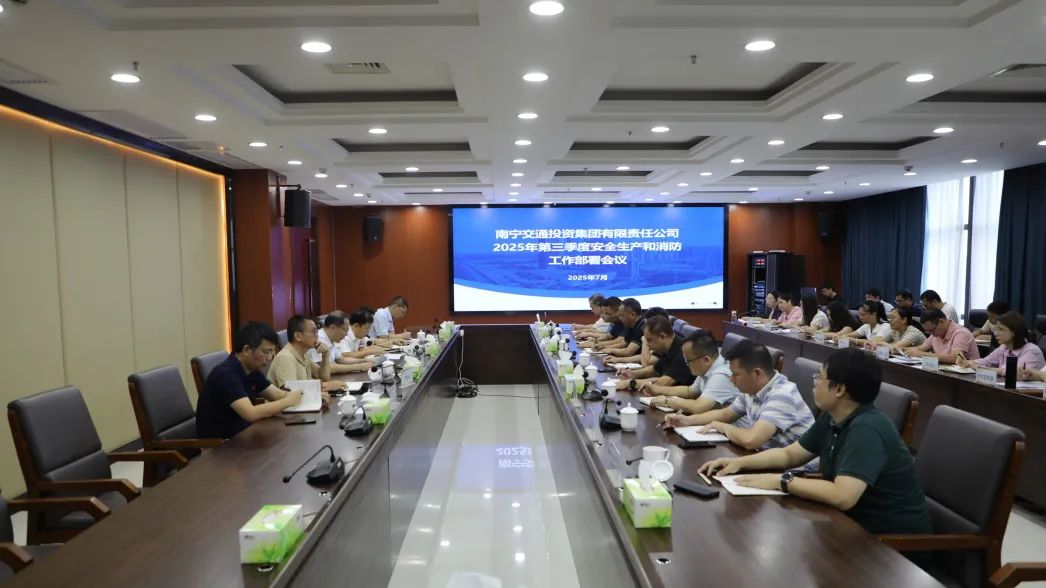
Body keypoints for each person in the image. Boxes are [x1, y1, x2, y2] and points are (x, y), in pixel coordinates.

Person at [698, 348, 932, 536]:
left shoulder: (867, 428)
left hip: (892, 543)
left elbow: (843, 496)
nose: (814, 383)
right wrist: (739, 464)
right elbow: (790, 455)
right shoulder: (832, 417)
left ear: (839, 389)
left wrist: (781, 481)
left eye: (819, 377)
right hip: (851, 525)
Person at [663, 339, 814, 451]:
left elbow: (751, 440)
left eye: (735, 374)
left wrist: (721, 427)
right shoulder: (752, 389)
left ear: (757, 373)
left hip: (797, 473)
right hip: (767, 459)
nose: (731, 379)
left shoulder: (782, 394)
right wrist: (687, 420)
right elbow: (726, 414)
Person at [196, 322, 304, 439]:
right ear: (247, 350)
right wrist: (288, 401)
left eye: (272, 352)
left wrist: (302, 396)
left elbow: (278, 395)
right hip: (220, 443)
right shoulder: (226, 374)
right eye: (266, 352)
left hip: (244, 432)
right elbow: (250, 413)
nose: (270, 358)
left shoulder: (252, 370)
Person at [648, 329, 740, 414]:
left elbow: (698, 407)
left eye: (688, 361)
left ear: (706, 360)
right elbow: (690, 391)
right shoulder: (708, 368)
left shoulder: (722, 375)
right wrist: (657, 389)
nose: (686, 364)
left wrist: (667, 401)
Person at [615, 315, 695, 390]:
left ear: (662, 337)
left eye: (649, 340)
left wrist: (631, 383)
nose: (647, 345)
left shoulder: (684, 351)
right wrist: (632, 373)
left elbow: (664, 382)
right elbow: (655, 370)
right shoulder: (668, 348)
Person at [268, 315, 338, 398]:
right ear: (298, 336)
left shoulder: (303, 354)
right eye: (313, 332)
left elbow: (323, 377)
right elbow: (291, 393)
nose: (317, 336)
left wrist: (325, 355)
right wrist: (325, 386)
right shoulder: (285, 358)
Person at [959, 312, 1045, 375]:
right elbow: (986, 361)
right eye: (996, 329)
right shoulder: (1004, 347)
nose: (996, 333)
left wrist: (978, 368)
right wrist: (967, 362)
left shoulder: (1032, 351)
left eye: (1001, 329)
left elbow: (1012, 372)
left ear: (1014, 331)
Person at [308, 312, 374, 374]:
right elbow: (326, 368)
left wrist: (364, 361)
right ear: (333, 327)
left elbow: (341, 359)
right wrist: (359, 367)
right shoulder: (318, 339)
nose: (346, 334)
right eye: (345, 330)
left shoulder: (330, 338)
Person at [907, 309, 980, 364]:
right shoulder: (935, 334)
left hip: (967, 375)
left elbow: (955, 358)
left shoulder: (961, 333)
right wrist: (905, 350)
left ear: (941, 321)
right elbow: (919, 349)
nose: (932, 334)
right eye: (928, 331)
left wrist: (923, 355)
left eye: (932, 330)